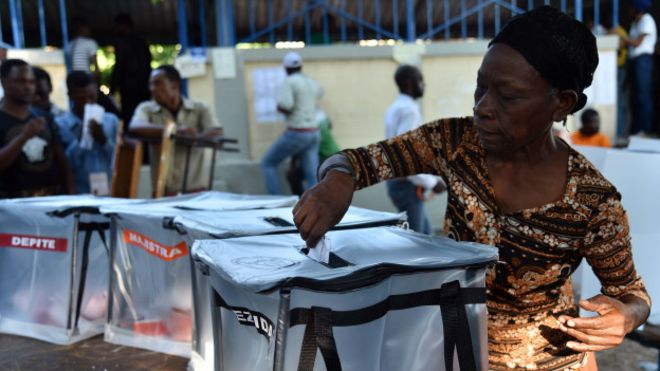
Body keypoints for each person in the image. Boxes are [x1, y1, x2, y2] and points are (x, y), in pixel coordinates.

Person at [293, 7, 650, 371]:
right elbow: (357, 161)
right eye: (481, 87)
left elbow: (631, 292)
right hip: (452, 351)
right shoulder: (454, 142)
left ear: (562, 102)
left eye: (507, 97)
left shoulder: (592, 200)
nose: (482, 108)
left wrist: (625, 316)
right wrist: (336, 181)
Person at [129, 65, 223, 195]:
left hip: (196, 192)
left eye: (158, 83)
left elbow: (217, 132)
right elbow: (135, 126)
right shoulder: (147, 109)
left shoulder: (199, 108)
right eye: (150, 84)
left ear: (175, 85)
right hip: (163, 192)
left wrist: (195, 138)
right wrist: (174, 131)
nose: (152, 89)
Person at [384, 65, 446, 234]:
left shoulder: (395, 107)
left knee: (426, 236)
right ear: (409, 82)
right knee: (417, 241)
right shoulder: (409, 110)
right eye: (420, 80)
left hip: (402, 182)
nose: (423, 85)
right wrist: (432, 182)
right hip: (406, 184)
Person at [0, 59, 74, 197]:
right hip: (12, 205)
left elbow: (63, 162)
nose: (28, 87)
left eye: (31, 81)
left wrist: (71, 195)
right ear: (4, 83)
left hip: (51, 201)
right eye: (20, 81)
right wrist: (23, 137)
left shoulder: (44, 117)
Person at [261, 52, 323, 195]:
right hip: (314, 132)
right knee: (312, 176)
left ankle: (276, 200)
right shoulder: (310, 81)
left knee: (268, 163)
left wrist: (278, 107)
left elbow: (286, 105)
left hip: (298, 132)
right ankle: (316, 203)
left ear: (286, 68)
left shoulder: (289, 81)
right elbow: (320, 93)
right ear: (301, 66)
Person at [55, 71, 118, 195]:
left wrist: (103, 140)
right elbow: (64, 165)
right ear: (70, 95)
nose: (87, 103)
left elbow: (119, 160)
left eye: (92, 97)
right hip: (79, 195)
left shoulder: (111, 121)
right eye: (81, 99)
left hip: (109, 194)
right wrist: (80, 140)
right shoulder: (60, 125)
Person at [110, 13, 152, 125]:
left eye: (117, 26)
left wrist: (113, 87)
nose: (116, 29)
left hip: (129, 88)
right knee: (144, 116)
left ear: (124, 25)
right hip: (143, 88)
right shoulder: (142, 41)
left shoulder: (122, 42)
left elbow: (119, 65)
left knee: (130, 118)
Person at [623, 0, 657, 136]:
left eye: (631, 8)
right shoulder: (635, 22)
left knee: (643, 96)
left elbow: (637, 43)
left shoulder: (646, 20)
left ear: (637, 9)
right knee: (636, 96)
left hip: (643, 60)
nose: (629, 11)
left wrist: (621, 36)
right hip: (635, 60)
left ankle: (645, 128)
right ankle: (637, 128)